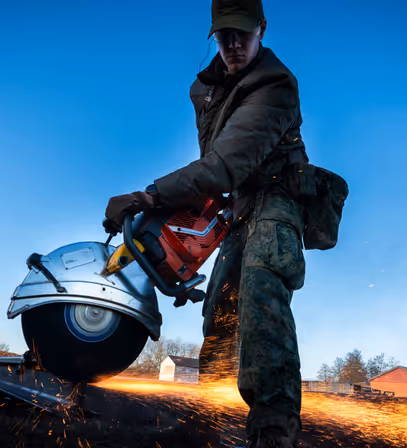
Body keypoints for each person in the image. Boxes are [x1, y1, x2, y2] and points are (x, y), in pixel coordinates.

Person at [104, 0, 307, 446]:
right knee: (219, 311)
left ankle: (274, 432)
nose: (234, 43)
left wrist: (147, 195)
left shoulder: (275, 84)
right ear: (213, 34)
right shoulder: (207, 89)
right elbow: (214, 169)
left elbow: (223, 165)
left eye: (243, 33)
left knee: (259, 296)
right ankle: (213, 415)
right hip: (238, 205)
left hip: (276, 203)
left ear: (263, 29)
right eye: (224, 34)